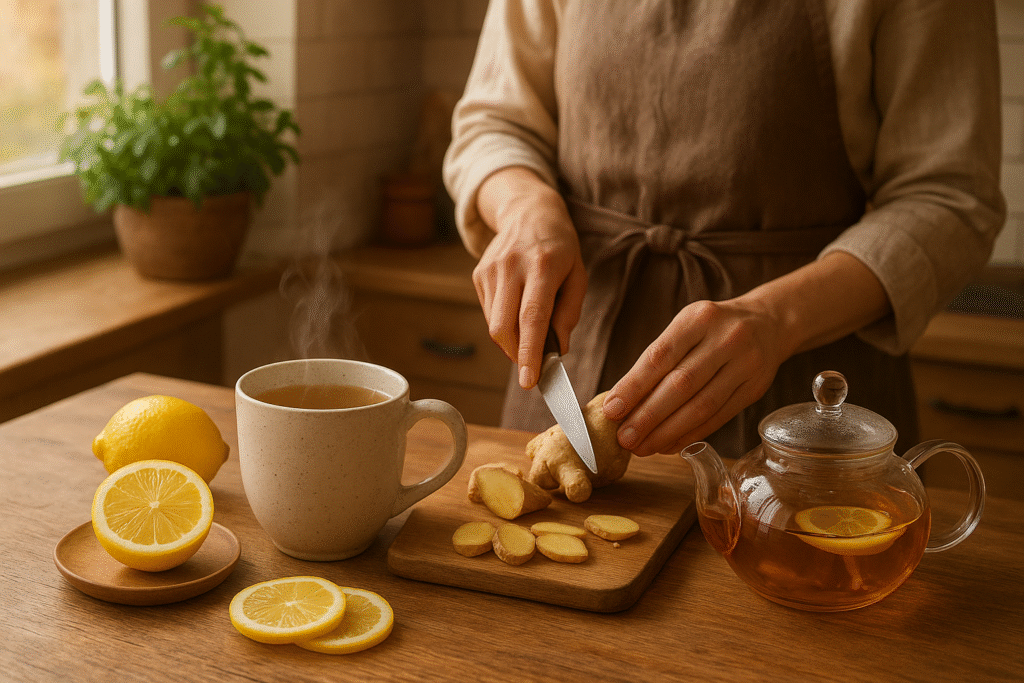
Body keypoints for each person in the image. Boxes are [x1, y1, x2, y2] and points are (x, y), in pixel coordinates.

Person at [443, 0, 1005, 458]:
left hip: (807, 408)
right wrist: (525, 208)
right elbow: (494, 121)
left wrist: (777, 319)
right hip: (573, 363)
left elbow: (949, 197)